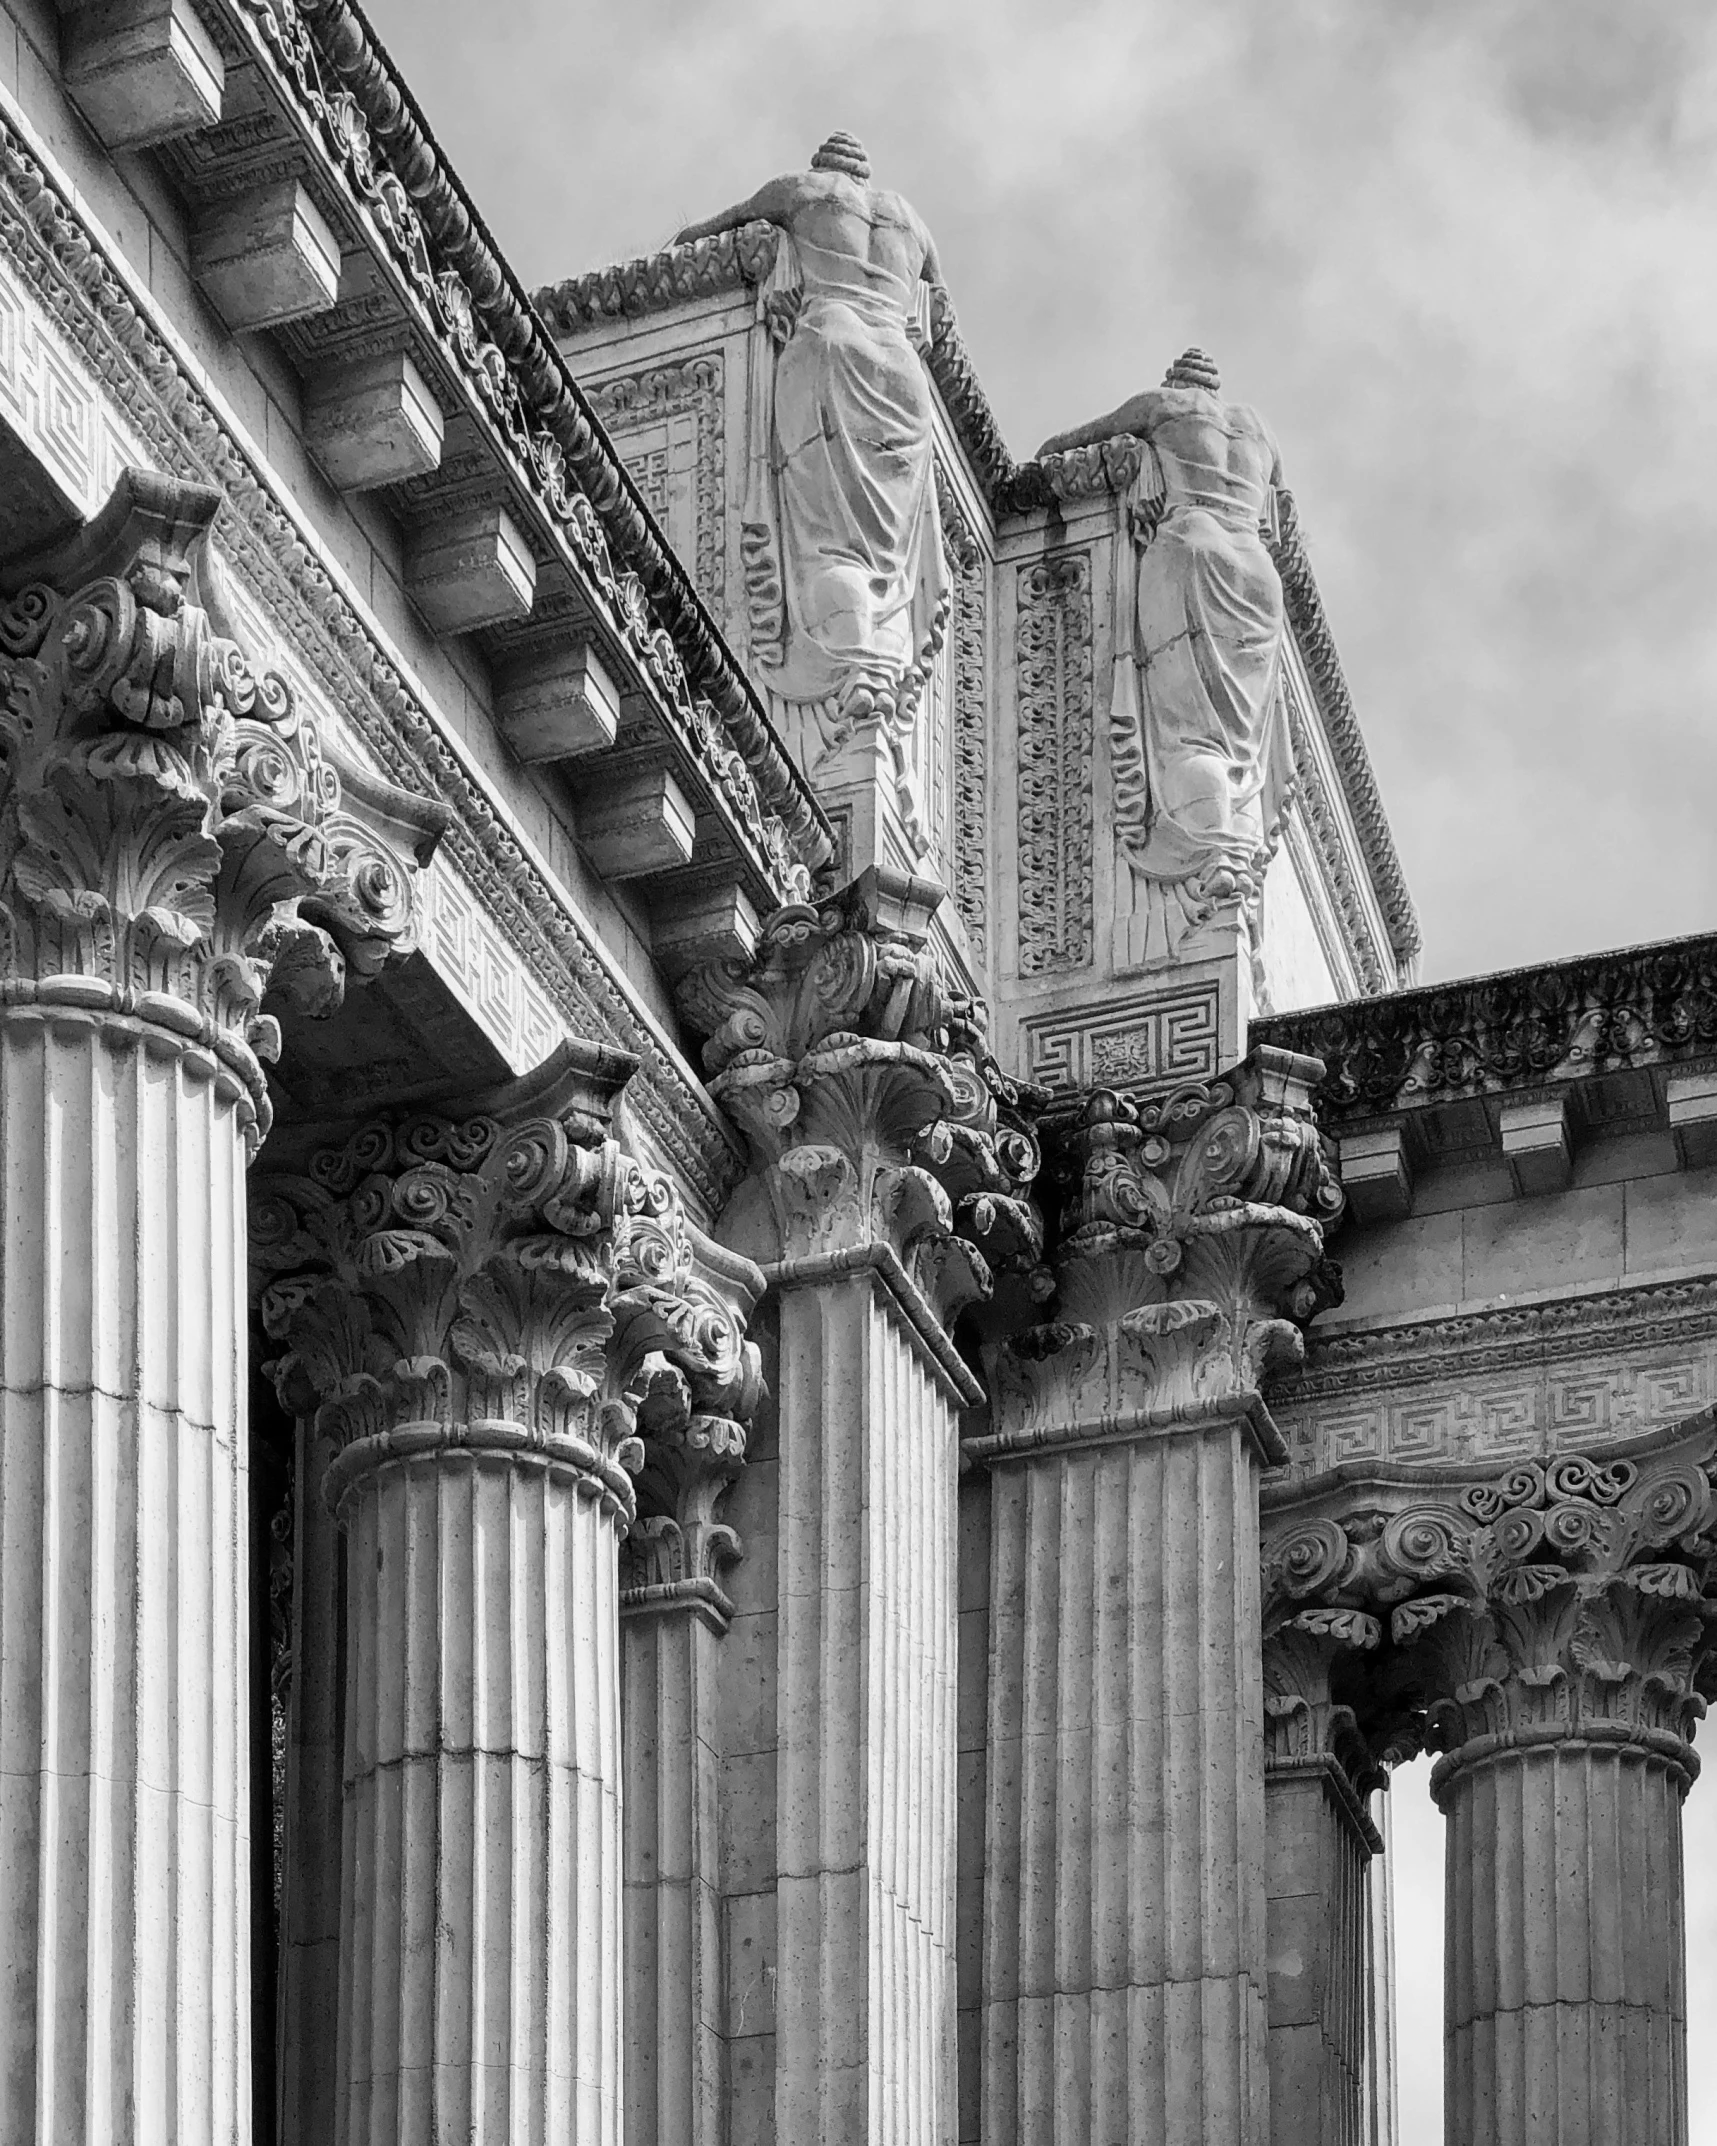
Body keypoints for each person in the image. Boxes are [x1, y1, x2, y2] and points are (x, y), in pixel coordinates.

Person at [675, 133, 948, 789]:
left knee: (823, 540)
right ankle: (876, 668)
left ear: (825, 167)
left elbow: (700, 236)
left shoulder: (801, 193)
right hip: (904, 378)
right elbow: (937, 306)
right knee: (883, 558)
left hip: (830, 341)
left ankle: (844, 664)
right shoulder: (911, 222)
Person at [1041, 349, 1293, 966]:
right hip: (1260, 581)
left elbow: (1061, 449)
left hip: (1192, 546)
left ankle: (1208, 865)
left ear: (1179, 383)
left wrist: (1150, 457)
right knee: (1237, 752)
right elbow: (1280, 520)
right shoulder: (1261, 430)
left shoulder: (1164, 407)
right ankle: (1234, 863)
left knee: (1186, 739)